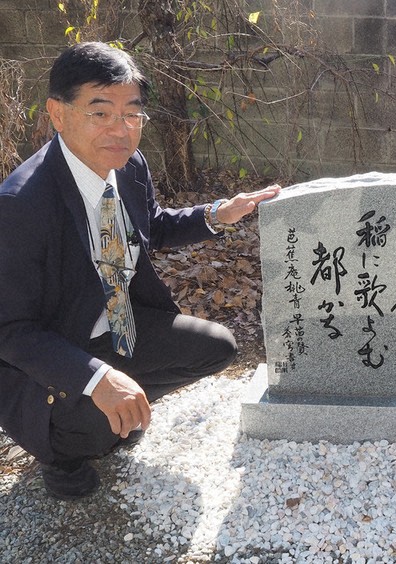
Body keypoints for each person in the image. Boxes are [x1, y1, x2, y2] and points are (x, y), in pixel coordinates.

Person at [0, 42, 280, 500]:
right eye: (101, 112)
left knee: (216, 348)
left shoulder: (129, 167)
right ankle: (63, 453)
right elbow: (9, 330)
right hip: (50, 353)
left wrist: (216, 215)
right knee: (92, 421)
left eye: (132, 114)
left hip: (117, 326)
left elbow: (148, 226)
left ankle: (118, 410)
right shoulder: (20, 206)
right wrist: (95, 379)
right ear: (58, 112)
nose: (121, 130)